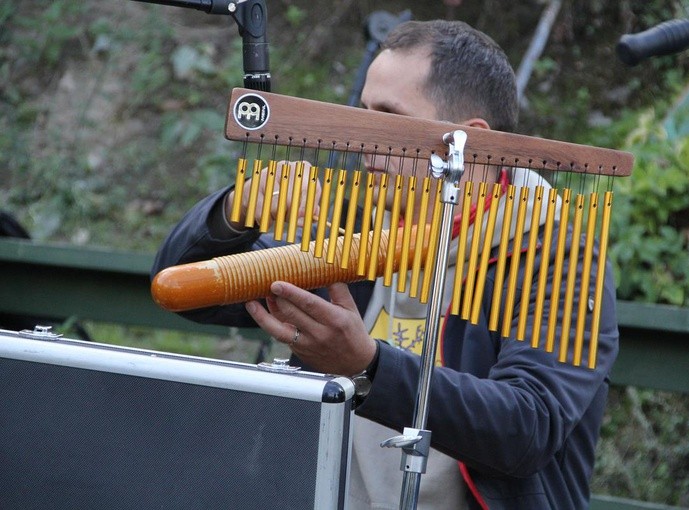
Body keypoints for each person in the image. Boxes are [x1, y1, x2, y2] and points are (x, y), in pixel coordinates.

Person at [152, 19, 619, 510]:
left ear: (470, 143)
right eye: (363, 113)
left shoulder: (559, 256)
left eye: (388, 117)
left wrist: (369, 365)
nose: (362, 139)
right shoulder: (354, 225)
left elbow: (527, 427)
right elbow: (185, 290)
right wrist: (231, 214)